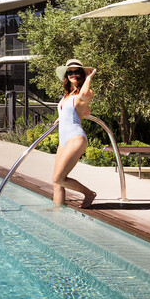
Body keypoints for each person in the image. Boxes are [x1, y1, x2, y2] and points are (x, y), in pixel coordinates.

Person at [52, 58, 97, 208]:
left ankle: (89, 193)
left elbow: (84, 93)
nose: (73, 74)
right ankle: (57, 214)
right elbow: (71, 112)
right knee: (56, 182)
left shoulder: (86, 93)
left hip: (75, 138)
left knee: (59, 178)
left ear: (82, 74)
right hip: (63, 139)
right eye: (70, 72)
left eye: (77, 71)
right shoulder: (68, 94)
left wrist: (89, 77)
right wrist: (61, 117)